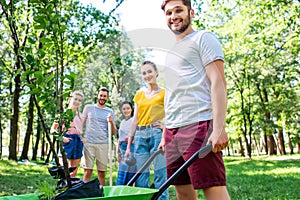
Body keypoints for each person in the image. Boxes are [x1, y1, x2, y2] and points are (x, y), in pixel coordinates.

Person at [159, 1, 230, 200]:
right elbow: (173, 94)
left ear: (190, 12)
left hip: (198, 124)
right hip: (173, 130)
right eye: (169, 12)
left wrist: (218, 128)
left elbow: (218, 82)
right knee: (182, 191)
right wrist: (166, 131)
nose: (173, 16)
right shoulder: (171, 52)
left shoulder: (203, 38)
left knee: (212, 187)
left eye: (178, 10)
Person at [125, 61, 168, 200]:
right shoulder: (139, 95)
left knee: (160, 171)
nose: (147, 75)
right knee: (141, 174)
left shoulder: (164, 93)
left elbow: (170, 114)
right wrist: (128, 146)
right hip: (139, 135)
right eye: (144, 73)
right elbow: (135, 119)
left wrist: (164, 129)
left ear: (156, 72)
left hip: (156, 133)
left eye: (149, 71)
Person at [81, 87, 117, 185]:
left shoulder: (110, 112)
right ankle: (84, 193)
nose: (102, 97)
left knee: (101, 172)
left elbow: (113, 132)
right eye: (101, 95)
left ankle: (101, 194)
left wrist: (111, 122)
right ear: (97, 95)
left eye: (105, 96)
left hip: (103, 144)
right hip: (89, 143)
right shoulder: (88, 108)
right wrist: (81, 137)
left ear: (107, 98)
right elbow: (81, 123)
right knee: (87, 171)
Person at [51, 91, 84, 178]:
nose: (77, 101)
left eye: (79, 100)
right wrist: (63, 138)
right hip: (67, 141)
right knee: (65, 171)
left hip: (78, 142)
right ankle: (62, 189)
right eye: (75, 99)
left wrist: (83, 138)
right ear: (69, 100)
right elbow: (52, 130)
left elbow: (81, 130)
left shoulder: (80, 116)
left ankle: (71, 190)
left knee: (73, 173)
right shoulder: (62, 114)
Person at [116, 100, 136, 185]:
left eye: (128, 108)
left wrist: (133, 140)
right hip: (122, 146)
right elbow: (120, 137)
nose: (126, 110)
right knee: (122, 169)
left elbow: (138, 133)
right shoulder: (123, 122)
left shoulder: (134, 120)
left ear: (131, 109)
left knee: (129, 170)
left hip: (130, 147)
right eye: (124, 109)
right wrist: (117, 151)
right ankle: (120, 188)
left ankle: (128, 187)